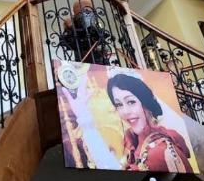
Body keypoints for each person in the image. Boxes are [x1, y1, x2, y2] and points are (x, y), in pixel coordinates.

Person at [61, 69, 193, 172]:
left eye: (131, 102)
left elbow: (114, 175)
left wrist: (85, 119)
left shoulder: (161, 151)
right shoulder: (133, 143)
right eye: (119, 105)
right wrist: (83, 115)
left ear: (146, 102)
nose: (125, 112)